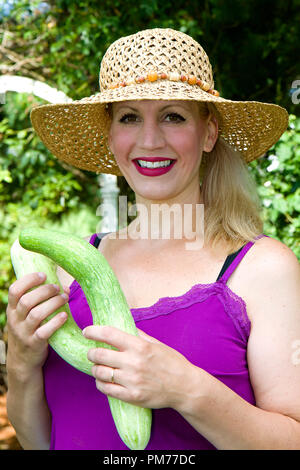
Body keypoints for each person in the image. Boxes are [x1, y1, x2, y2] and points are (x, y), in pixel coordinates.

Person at [6, 28, 300, 450]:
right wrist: (20, 362)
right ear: (111, 136)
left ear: (209, 133)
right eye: (129, 117)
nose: (149, 140)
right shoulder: (71, 270)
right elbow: (40, 441)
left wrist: (188, 390)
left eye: (173, 116)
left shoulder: (263, 268)